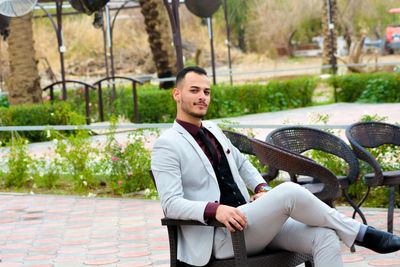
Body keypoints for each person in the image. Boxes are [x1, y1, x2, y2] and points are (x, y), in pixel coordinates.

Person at [151, 66, 400, 267]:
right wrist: (216, 210)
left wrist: (261, 186)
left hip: (251, 222)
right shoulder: (167, 145)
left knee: (324, 237)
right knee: (288, 191)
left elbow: (241, 162)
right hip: (218, 236)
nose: (202, 97)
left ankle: (358, 232)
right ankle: (361, 233)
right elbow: (171, 204)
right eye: (194, 90)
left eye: (206, 91)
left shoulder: (214, 130)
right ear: (177, 94)